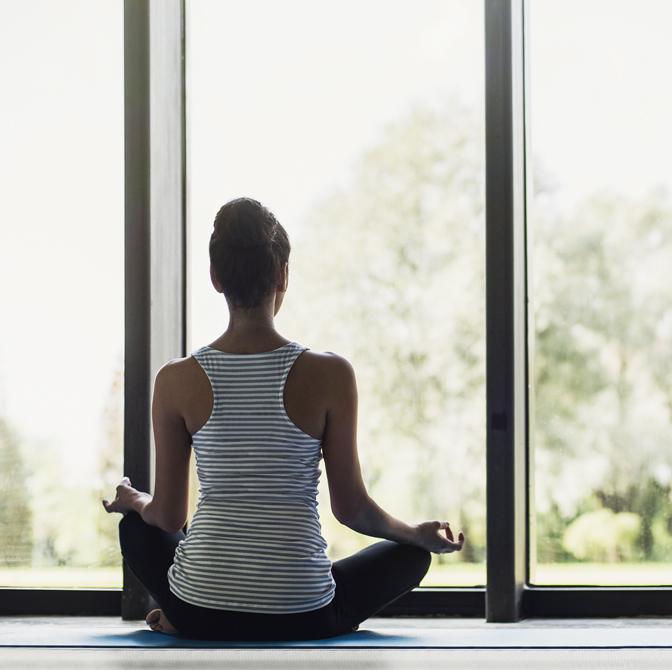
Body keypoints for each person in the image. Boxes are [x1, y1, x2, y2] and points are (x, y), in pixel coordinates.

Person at [103, 197, 464, 641]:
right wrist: (414, 533)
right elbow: (351, 509)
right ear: (283, 275)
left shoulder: (176, 379)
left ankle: (182, 616)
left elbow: (168, 515)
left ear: (216, 279)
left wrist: (133, 499)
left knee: (135, 529)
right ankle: (304, 597)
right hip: (306, 616)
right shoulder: (332, 374)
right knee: (413, 556)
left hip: (199, 610)